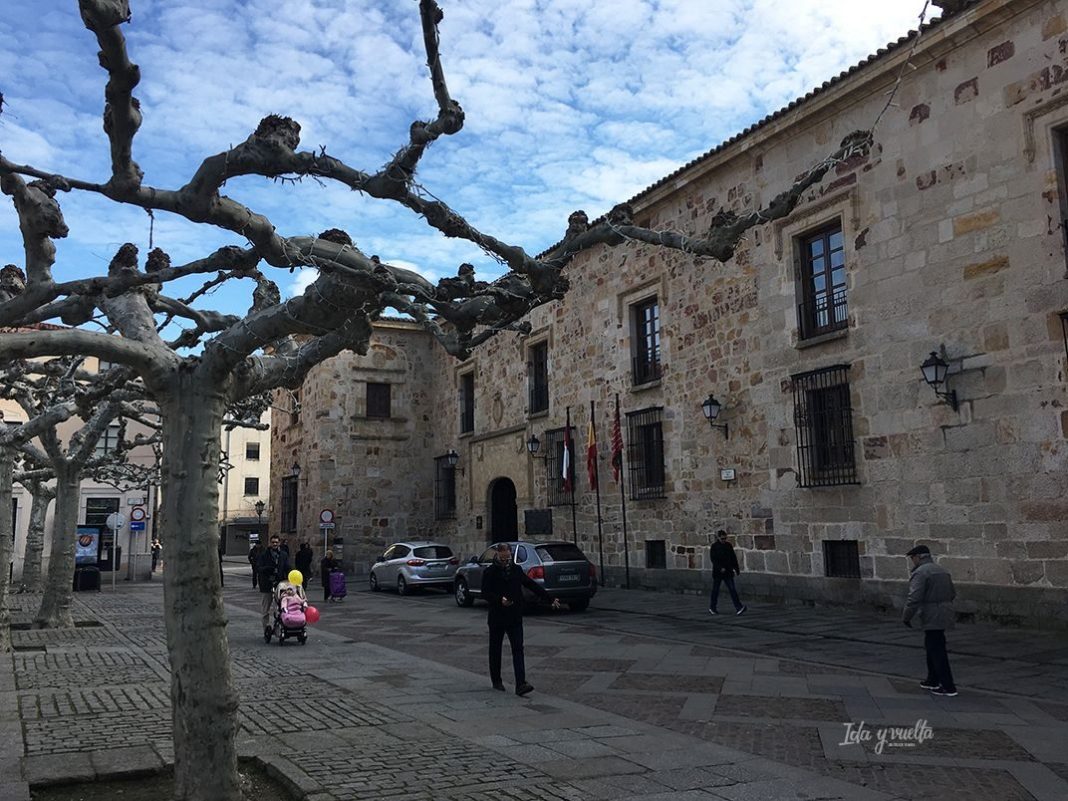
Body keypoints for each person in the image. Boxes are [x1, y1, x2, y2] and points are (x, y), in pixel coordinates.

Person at [481, 543, 561, 696]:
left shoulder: (516, 570)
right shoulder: (490, 572)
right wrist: (499, 600)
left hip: (514, 615)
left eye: (508, 558)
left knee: (518, 649)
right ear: (498, 555)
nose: (506, 561)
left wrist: (550, 599)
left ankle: (520, 684)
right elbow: (485, 593)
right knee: (495, 649)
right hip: (497, 616)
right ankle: (496, 680)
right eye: (503, 558)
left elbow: (531, 584)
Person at [903, 544, 957, 697]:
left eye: (912, 558)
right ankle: (932, 679)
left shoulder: (921, 573)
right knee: (932, 646)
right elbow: (952, 593)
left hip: (931, 613)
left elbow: (914, 597)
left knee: (936, 649)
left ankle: (948, 686)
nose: (912, 561)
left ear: (919, 557)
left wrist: (906, 616)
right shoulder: (942, 570)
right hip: (945, 612)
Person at [257, 535, 291, 637]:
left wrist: (290, 575)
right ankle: (266, 629)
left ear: (279, 543)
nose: (274, 544)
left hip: (279, 585)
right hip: (266, 584)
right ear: (270, 543)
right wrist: (267, 569)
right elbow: (258, 568)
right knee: (265, 609)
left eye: (276, 542)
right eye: (273, 542)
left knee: (280, 608)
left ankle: (279, 628)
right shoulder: (264, 554)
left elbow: (287, 567)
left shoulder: (283, 555)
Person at [708, 529, 746, 616]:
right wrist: (719, 568)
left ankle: (739, 607)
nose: (724, 540)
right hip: (718, 573)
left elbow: (733, 557)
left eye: (725, 538)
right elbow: (713, 559)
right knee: (715, 590)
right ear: (718, 538)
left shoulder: (728, 546)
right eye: (722, 539)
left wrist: (736, 569)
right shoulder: (714, 547)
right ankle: (712, 607)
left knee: (732, 589)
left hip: (728, 571)